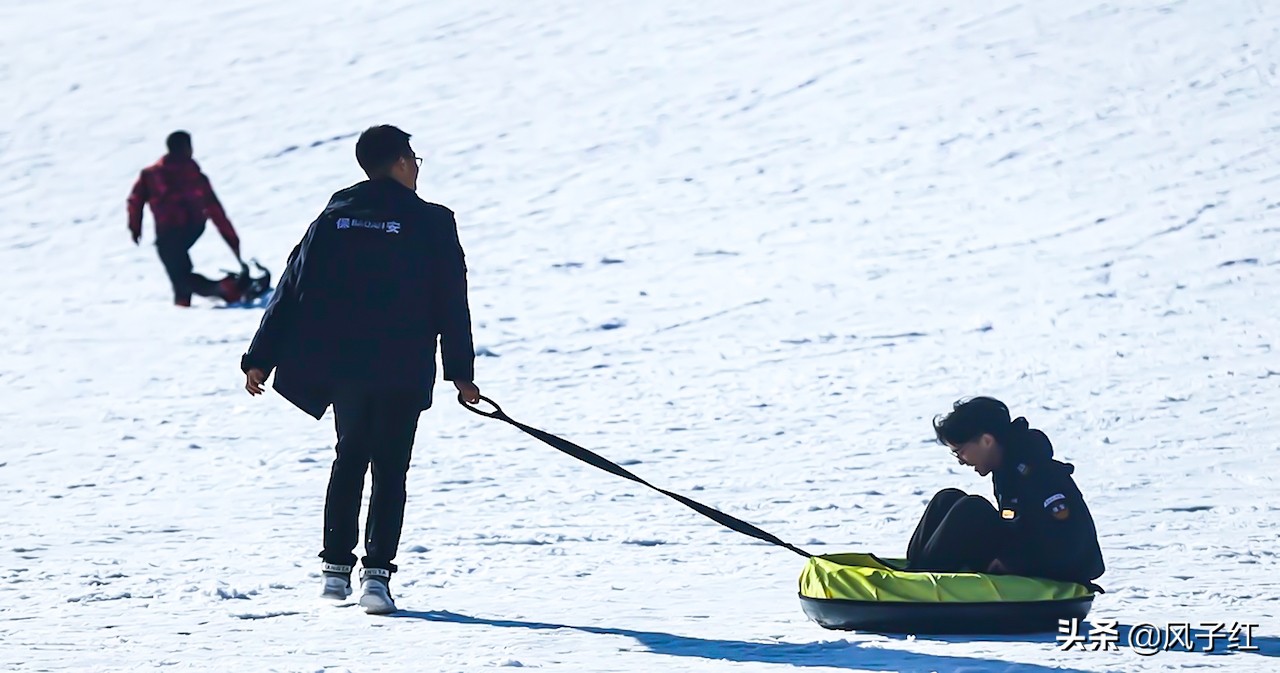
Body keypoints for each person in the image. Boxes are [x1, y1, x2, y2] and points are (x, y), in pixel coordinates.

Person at [239, 125, 482, 615]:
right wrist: (460, 371)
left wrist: (260, 357)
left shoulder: (335, 218)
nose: (416, 167)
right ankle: (377, 578)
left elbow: (291, 286)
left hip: (345, 366)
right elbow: (450, 300)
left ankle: (334, 572)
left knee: (349, 456)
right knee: (391, 467)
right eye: (412, 158)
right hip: (403, 365)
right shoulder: (433, 222)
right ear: (396, 161)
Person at [905, 397, 1105, 586]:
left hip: (1057, 569)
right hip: (1023, 555)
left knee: (972, 509)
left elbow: (1068, 542)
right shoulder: (1005, 469)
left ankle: (920, 585)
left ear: (986, 441)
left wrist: (1013, 561)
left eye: (961, 451)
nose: (960, 460)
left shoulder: (1039, 474)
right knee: (947, 499)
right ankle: (915, 572)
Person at [127, 131, 243, 306]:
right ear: (187, 148)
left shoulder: (151, 175)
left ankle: (223, 288)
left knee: (179, 272)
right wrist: (233, 241)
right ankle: (183, 302)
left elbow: (135, 201)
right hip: (194, 227)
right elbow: (215, 210)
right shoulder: (196, 176)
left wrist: (135, 227)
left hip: (168, 229)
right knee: (179, 267)